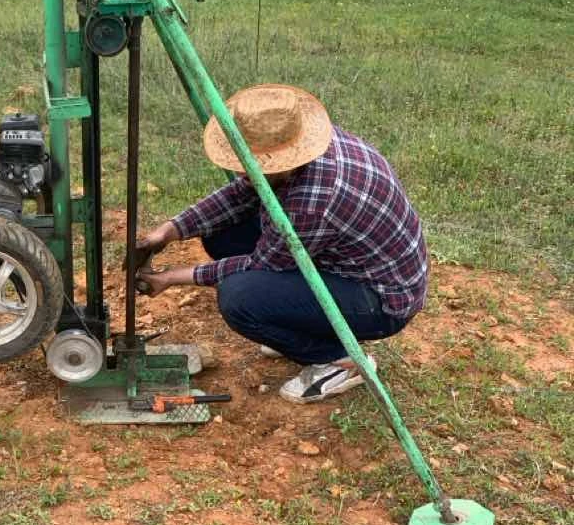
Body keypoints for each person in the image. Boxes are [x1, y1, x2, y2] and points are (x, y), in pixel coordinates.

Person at [135, 83, 427, 404]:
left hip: (380, 300)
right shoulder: (303, 146)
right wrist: (169, 230)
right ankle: (294, 319)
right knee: (221, 231)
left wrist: (168, 279)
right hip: (346, 260)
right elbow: (240, 195)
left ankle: (338, 360)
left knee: (239, 298)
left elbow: (258, 265)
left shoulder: (313, 200)